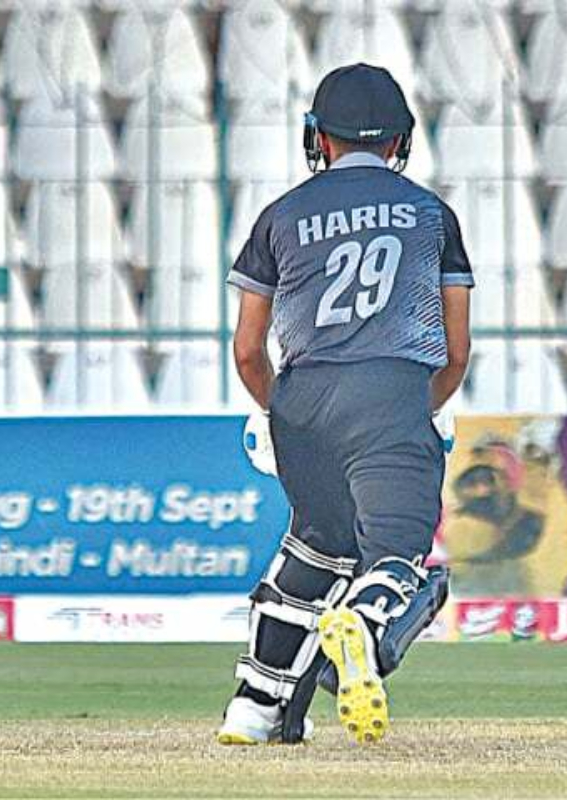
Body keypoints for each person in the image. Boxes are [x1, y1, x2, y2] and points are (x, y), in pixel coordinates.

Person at [217, 63, 473, 745]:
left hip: (301, 394)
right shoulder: (430, 214)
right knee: (396, 554)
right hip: (392, 391)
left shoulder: (279, 216)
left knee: (316, 547)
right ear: (399, 140)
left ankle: (256, 706)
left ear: (318, 139)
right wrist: (418, 405)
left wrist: (284, 411)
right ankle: (358, 628)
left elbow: (247, 350)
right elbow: (455, 350)